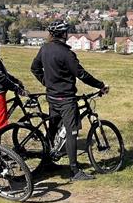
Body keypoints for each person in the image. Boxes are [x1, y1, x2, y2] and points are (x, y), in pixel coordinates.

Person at [30, 20, 109, 181]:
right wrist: (100, 85)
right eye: (66, 32)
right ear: (62, 34)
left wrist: (46, 82)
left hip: (52, 97)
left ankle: (47, 162)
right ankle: (74, 171)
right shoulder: (66, 54)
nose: (67, 34)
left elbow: (35, 68)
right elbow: (82, 74)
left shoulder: (45, 48)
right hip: (66, 98)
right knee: (72, 132)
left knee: (53, 129)